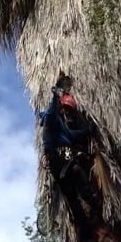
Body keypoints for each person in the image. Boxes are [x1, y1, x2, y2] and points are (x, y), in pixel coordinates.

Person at [39, 79, 97, 215]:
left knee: (71, 195)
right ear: (60, 107)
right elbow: (52, 111)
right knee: (76, 169)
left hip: (57, 163)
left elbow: (71, 135)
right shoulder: (52, 119)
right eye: (65, 109)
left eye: (69, 110)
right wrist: (55, 96)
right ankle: (91, 199)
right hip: (59, 155)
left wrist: (87, 131)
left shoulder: (61, 127)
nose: (67, 113)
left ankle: (84, 228)